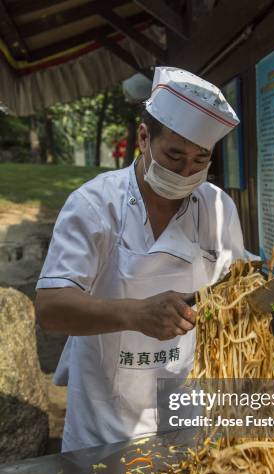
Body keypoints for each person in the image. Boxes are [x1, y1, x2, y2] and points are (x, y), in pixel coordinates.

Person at [35, 66, 249, 452]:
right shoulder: (94, 205)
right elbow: (51, 308)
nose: (186, 172)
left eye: (199, 160)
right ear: (144, 138)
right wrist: (136, 314)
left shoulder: (218, 207)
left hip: (185, 399)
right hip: (109, 410)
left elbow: (235, 288)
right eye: (174, 155)